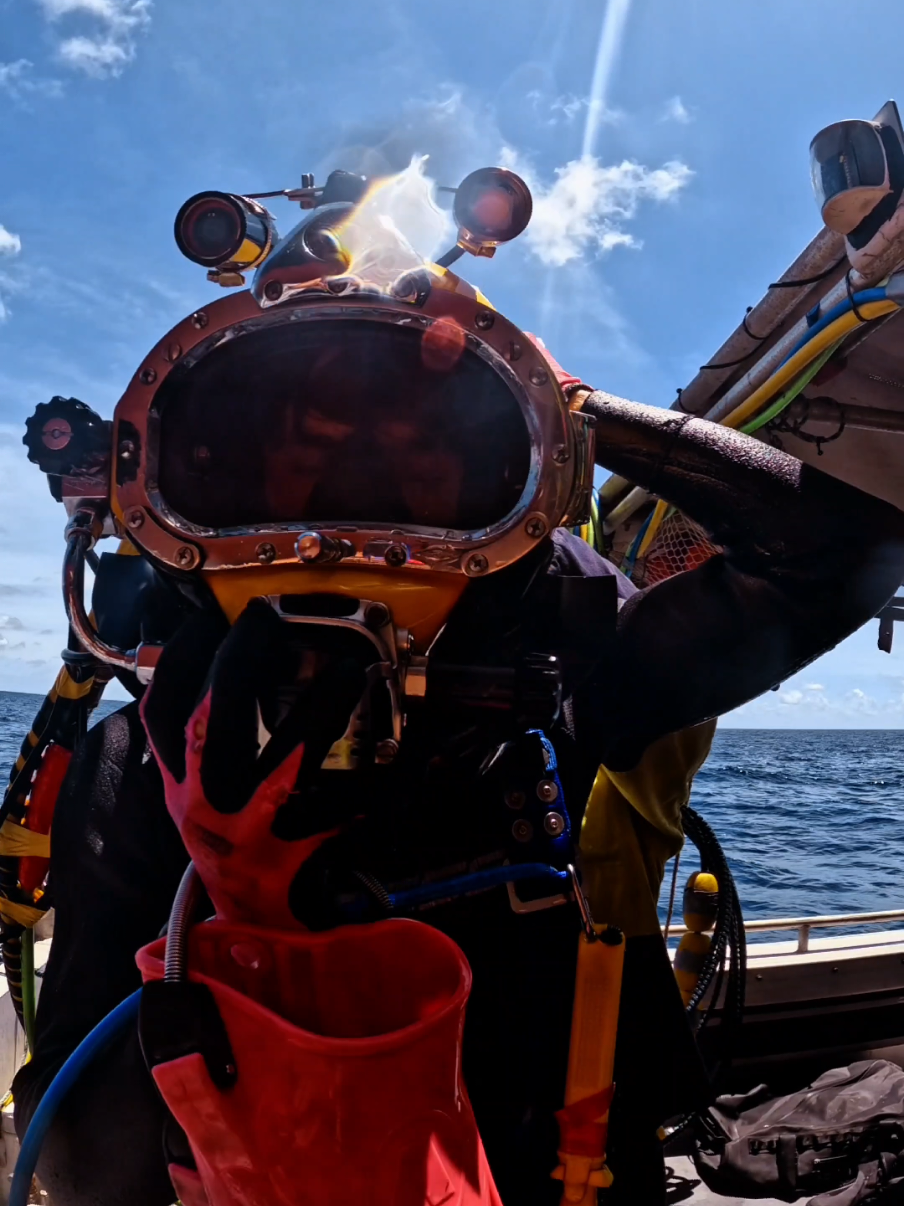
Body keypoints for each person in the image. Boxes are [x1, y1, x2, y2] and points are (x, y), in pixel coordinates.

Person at [10, 169, 904, 1206]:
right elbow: (86, 1158)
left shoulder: (552, 685)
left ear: (507, 489)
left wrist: (567, 406)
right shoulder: (144, 764)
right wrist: (239, 937)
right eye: (308, 448)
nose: (352, 508)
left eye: (417, 448)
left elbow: (844, 555)